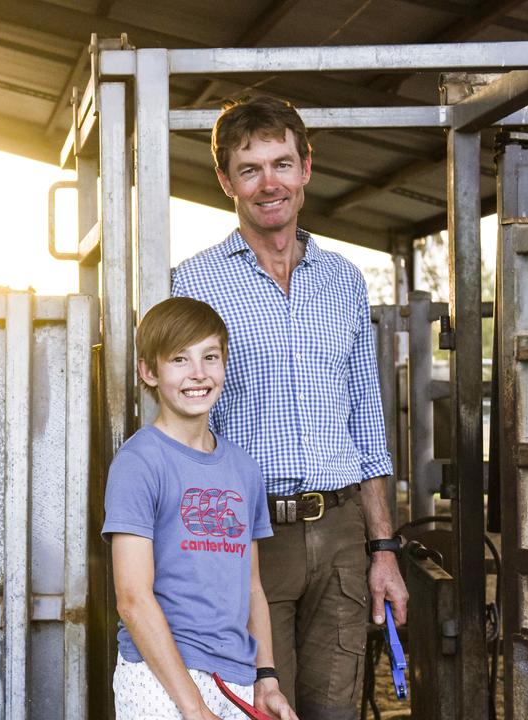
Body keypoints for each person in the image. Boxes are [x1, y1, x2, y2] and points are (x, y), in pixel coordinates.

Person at [171, 95, 407, 720]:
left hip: (340, 535)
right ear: (226, 181)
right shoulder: (191, 283)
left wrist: (384, 551)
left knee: (335, 709)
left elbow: (366, 422)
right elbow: (185, 430)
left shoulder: (345, 280)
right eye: (250, 169)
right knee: (260, 708)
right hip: (247, 539)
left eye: (281, 163)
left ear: (307, 167)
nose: (268, 183)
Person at [104, 297, 299, 720]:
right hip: (158, 679)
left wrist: (267, 679)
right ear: (149, 372)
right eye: (179, 359)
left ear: (224, 365)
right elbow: (133, 599)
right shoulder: (140, 463)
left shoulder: (244, 469)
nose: (198, 373)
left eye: (210, 357)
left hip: (236, 678)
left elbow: (251, 589)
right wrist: (192, 707)